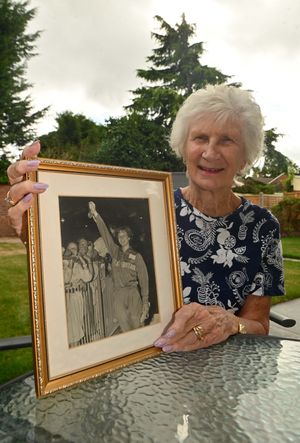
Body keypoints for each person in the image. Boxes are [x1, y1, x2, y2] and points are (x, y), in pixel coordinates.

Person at [6, 84, 284, 352]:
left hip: (221, 377)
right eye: (200, 138)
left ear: (245, 156)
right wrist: (34, 229)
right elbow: (66, 272)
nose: (210, 152)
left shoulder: (262, 227)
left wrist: (230, 322)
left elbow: (258, 324)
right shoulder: (153, 208)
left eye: (226, 140)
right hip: (146, 372)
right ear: (183, 147)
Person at [88, 201, 150, 332]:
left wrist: (145, 302)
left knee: (137, 326)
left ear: (129, 238)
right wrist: (96, 215)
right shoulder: (115, 251)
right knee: (125, 328)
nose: (121, 238)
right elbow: (105, 234)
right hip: (119, 294)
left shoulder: (137, 256)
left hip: (133, 293)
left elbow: (144, 280)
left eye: (124, 236)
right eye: (119, 236)